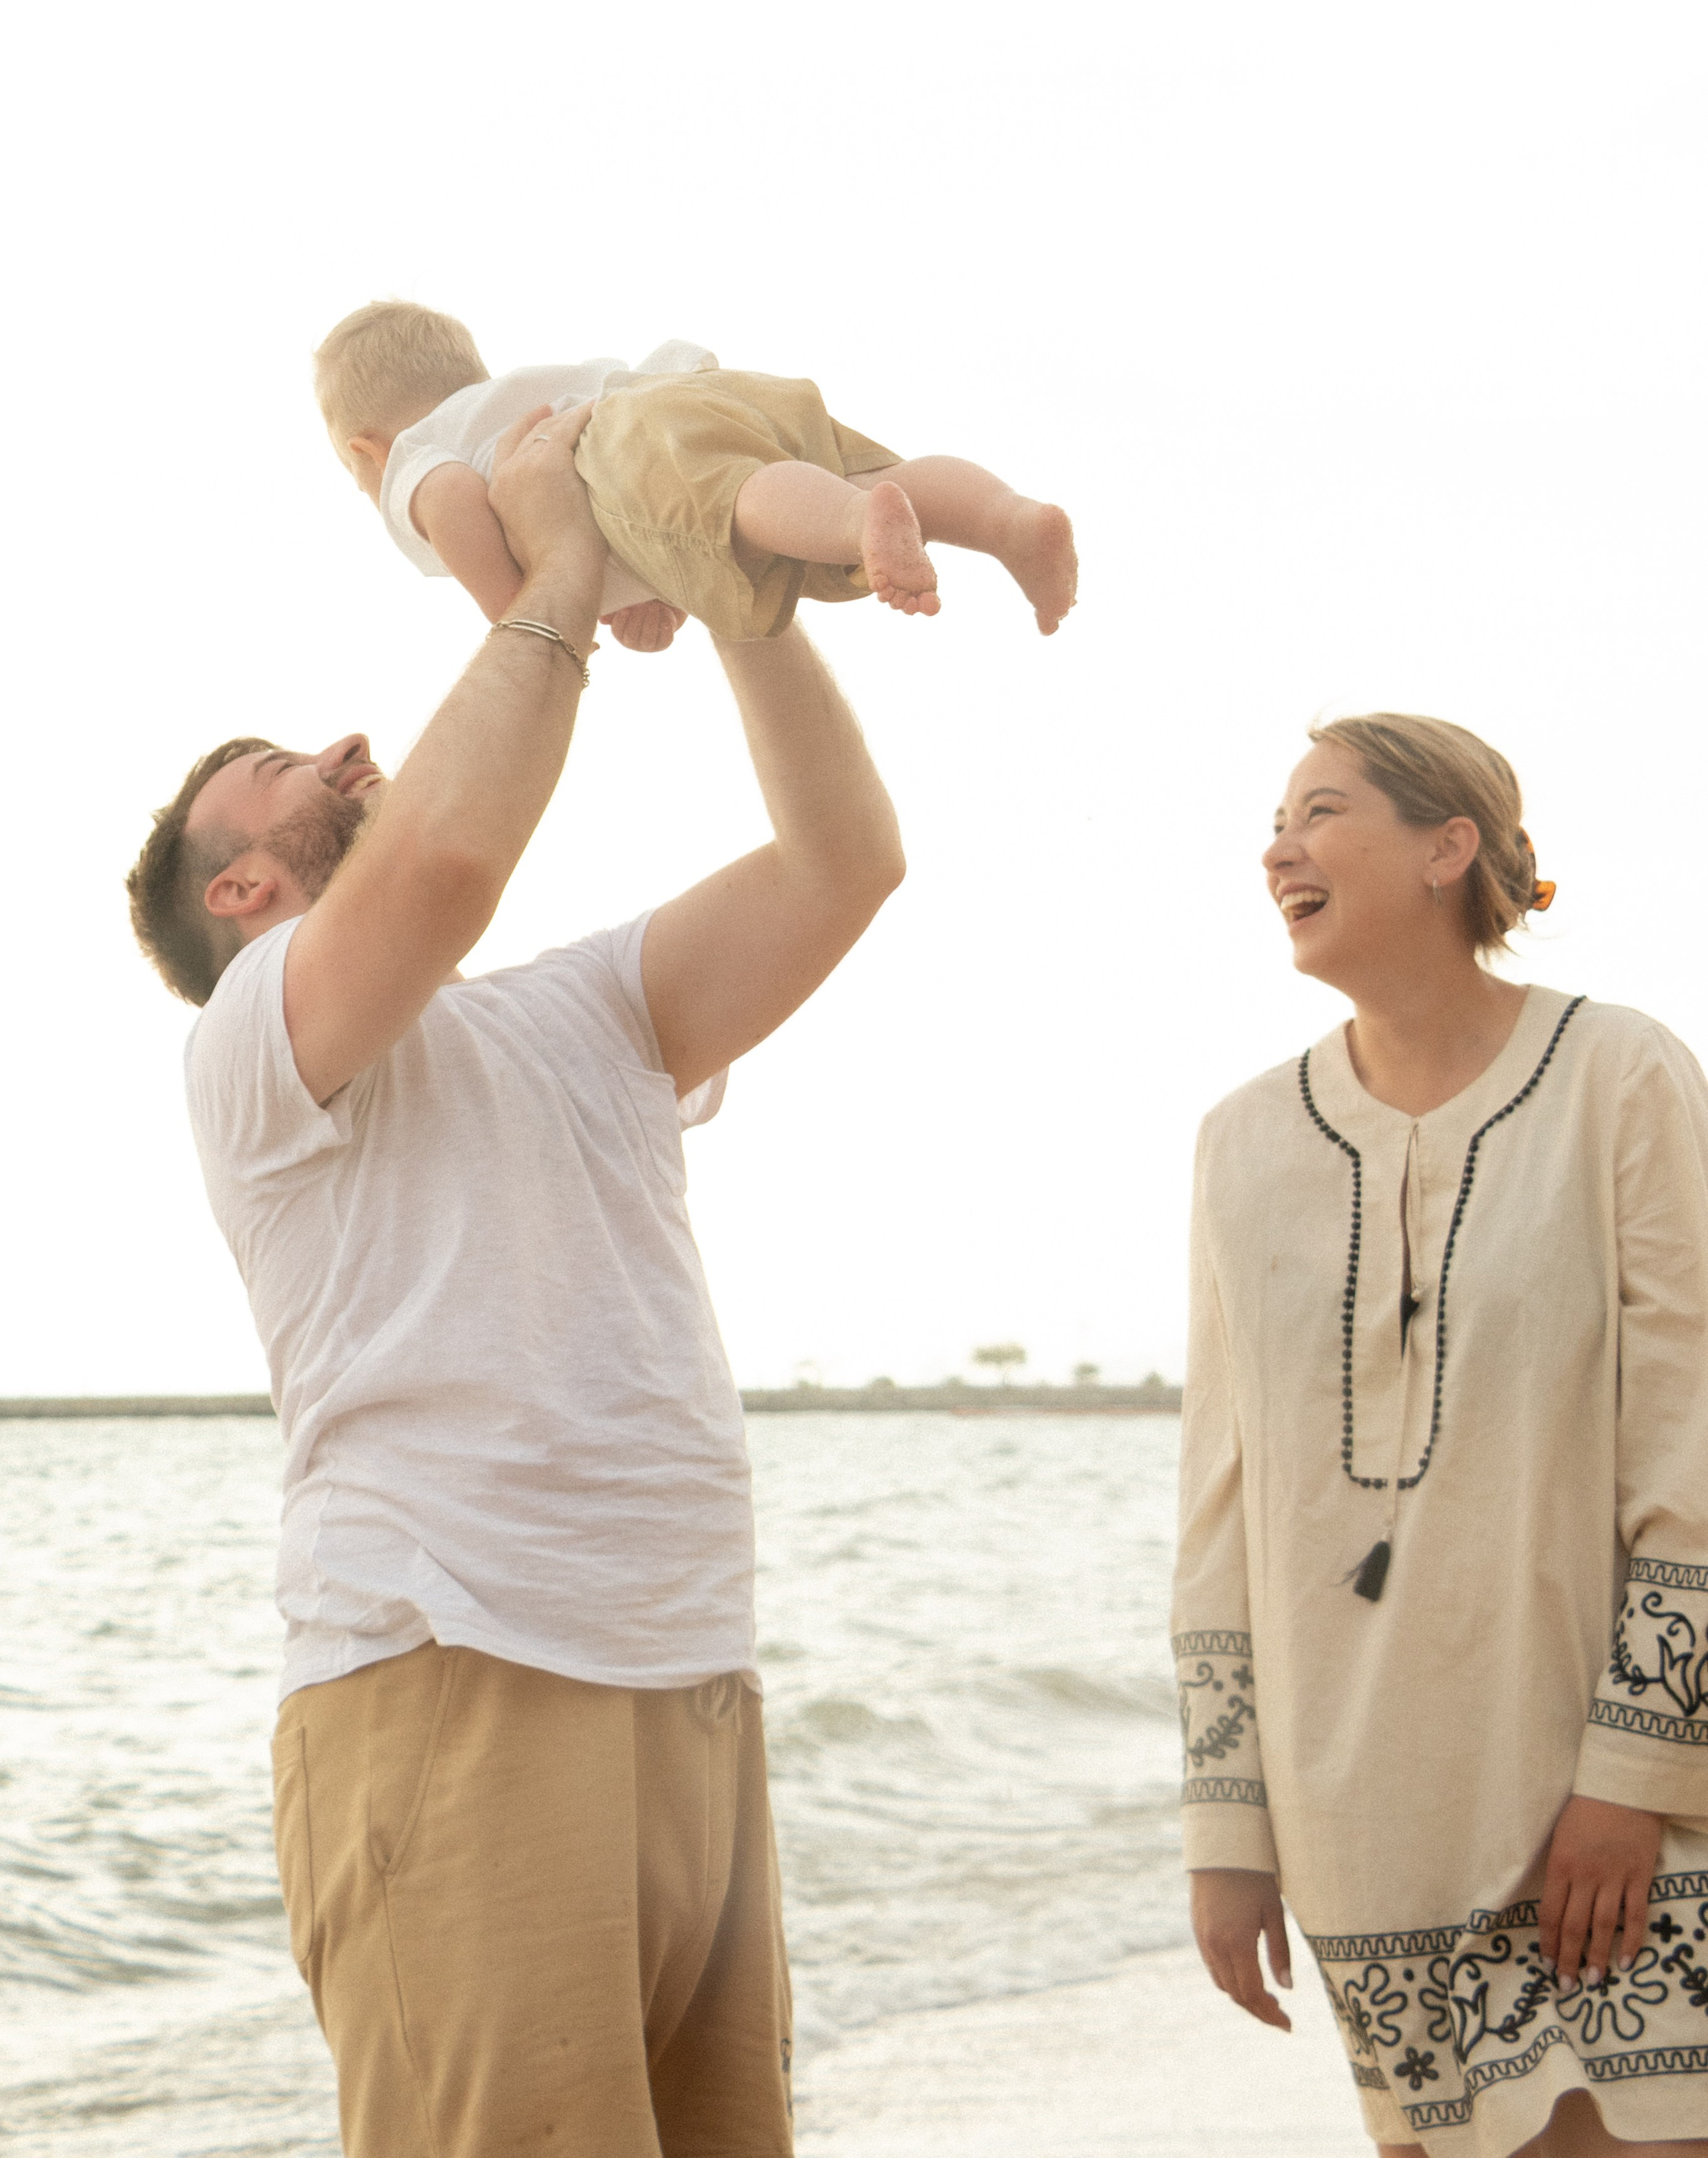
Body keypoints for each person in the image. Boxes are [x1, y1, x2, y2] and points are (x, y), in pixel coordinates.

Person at [123, 404, 907, 2158]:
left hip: (687, 1671)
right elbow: (448, 862)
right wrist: (552, 576)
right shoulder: (259, 1041)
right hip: (446, 1671)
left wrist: (743, 600)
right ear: (242, 887)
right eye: (275, 764)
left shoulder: (586, 1012)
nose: (338, 744)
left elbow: (845, 864)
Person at [1174, 713, 1708, 2158]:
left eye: (1320, 810)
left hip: (1599, 1813)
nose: (1276, 845)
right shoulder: (1240, 1142)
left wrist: (1632, 1777)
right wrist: (1225, 1832)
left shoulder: (1621, 1078)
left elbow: (1692, 1460)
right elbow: (1218, 1505)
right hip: (1361, 1812)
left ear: (1444, 848)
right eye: (1275, 819)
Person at [312, 296, 1078, 648]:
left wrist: (522, 615)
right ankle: (1008, 521)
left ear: (365, 451)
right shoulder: (519, 398)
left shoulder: (418, 454)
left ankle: (856, 523)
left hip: (631, 433)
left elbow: (448, 502)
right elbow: (661, 524)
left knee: (750, 497)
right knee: (875, 477)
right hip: (698, 393)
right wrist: (655, 596)